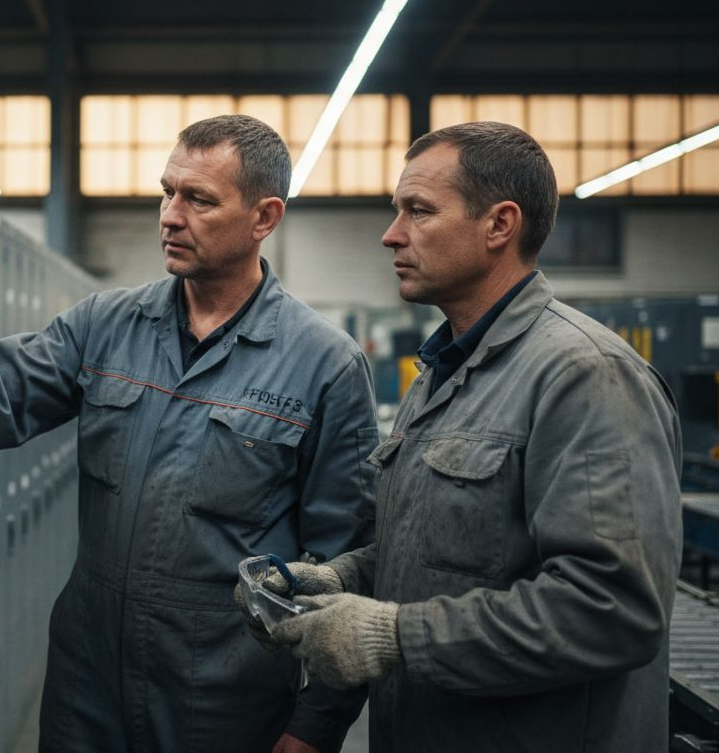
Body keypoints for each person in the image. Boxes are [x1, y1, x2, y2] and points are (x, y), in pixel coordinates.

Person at [0, 115, 379, 753]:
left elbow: (347, 560)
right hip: (89, 680)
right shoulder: (108, 324)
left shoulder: (322, 364)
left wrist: (314, 725)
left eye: (199, 200)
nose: (170, 214)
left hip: (223, 695)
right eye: (167, 192)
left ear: (264, 217)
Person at [249, 121, 683, 752]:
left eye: (418, 211)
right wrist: (343, 580)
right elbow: (450, 547)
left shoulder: (585, 376)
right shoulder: (445, 374)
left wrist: (394, 635)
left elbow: (611, 610)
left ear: (499, 225)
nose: (391, 233)